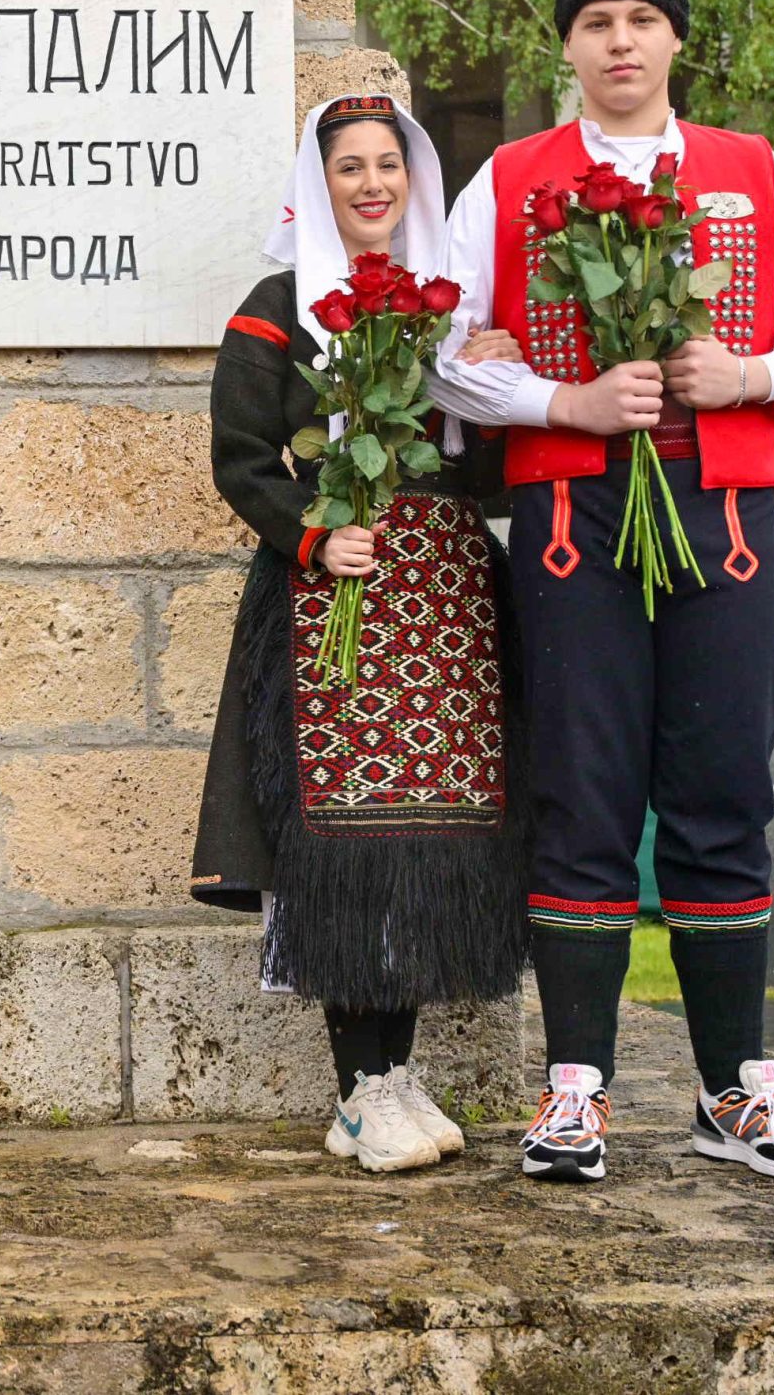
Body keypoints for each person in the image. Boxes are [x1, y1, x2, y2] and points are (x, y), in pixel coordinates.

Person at [428, 0, 774, 1185]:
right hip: (576, 518)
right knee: (580, 786)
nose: (617, 41)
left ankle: (735, 1087)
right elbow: (443, 352)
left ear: (674, 32)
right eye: (593, 22)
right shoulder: (511, 178)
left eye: (638, 19)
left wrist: (753, 368)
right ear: (566, 43)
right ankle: (576, 1090)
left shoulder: (752, 169)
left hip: (722, 510)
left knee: (723, 785)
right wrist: (560, 404)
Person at [190, 93, 531, 1172]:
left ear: (413, 181)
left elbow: (476, 464)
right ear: (319, 184)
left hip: (440, 605)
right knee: (346, 842)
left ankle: (390, 1077)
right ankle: (359, 1084)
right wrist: (312, 535)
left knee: (425, 840)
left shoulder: (448, 308)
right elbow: (242, 456)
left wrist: (492, 372)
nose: (372, 183)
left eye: (389, 164)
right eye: (350, 168)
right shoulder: (280, 306)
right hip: (330, 595)